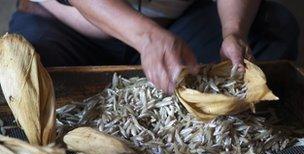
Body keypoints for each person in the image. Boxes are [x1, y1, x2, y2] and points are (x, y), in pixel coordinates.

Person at [9, 0, 299, 94]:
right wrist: (147, 38)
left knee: (274, 29)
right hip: (66, 26)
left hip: (175, 24)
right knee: (27, 71)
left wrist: (233, 31)